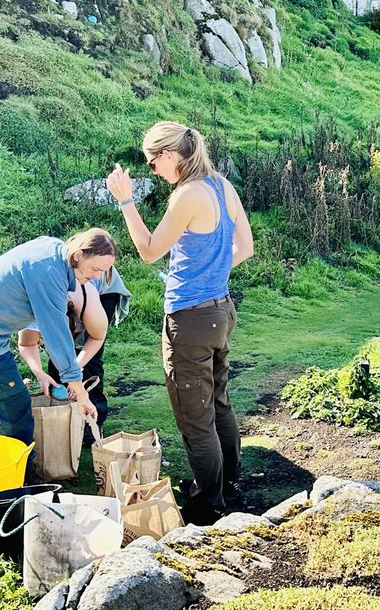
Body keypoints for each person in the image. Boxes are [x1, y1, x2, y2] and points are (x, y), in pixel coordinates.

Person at [107, 122, 253, 524]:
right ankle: (228, 483)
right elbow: (246, 247)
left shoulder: (188, 194)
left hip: (190, 320)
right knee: (218, 402)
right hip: (220, 310)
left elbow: (150, 251)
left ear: (171, 156)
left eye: (153, 164)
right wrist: (211, 276)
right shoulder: (222, 185)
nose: (154, 170)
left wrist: (126, 201)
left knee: (195, 416)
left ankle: (210, 503)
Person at [0, 229, 114, 466]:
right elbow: (57, 335)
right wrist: (80, 392)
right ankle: (19, 483)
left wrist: (45, 374)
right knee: (16, 410)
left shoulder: (54, 251)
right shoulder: (48, 274)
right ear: (77, 255)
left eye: (103, 272)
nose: (97, 277)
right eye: (95, 269)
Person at [18, 267, 132, 442]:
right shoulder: (36, 312)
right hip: (61, 292)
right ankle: (63, 411)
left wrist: (75, 369)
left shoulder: (87, 303)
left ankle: (94, 419)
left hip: (103, 289)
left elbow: (96, 338)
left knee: (89, 359)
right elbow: (26, 343)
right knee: (58, 356)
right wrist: (40, 374)